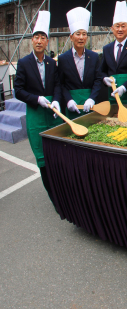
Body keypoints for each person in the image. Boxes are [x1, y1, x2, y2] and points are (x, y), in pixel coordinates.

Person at [14, 11, 61, 200]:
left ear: (47, 41)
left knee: (56, 152)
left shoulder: (51, 63)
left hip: (51, 112)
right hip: (35, 112)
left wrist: (56, 99)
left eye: (43, 37)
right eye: (36, 37)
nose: (39, 41)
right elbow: (18, 90)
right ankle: (51, 192)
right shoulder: (24, 63)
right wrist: (36, 99)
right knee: (41, 155)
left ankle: (60, 187)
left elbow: (57, 84)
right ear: (31, 41)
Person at [58, 7, 103, 119]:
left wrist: (92, 98)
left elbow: (98, 79)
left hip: (91, 105)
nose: (81, 37)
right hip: (73, 105)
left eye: (84, 34)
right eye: (78, 34)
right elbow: (61, 83)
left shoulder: (93, 57)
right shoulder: (63, 58)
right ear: (71, 37)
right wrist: (68, 100)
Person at [100, 1, 127, 105]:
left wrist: (124, 87)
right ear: (112, 29)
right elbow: (101, 71)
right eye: (117, 26)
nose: (120, 29)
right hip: (114, 95)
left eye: (123, 26)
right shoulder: (107, 48)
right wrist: (104, 78)